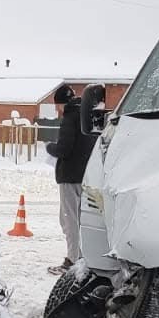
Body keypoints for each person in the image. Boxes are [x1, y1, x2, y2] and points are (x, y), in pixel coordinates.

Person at [46, 84, 96, 274]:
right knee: (80, 218)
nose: (57, 110)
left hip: (69, 175)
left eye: (57, 106)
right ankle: (82, 256)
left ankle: (72, 259)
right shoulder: (86, 114)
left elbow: (64, 149)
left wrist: (50, 147)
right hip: (84, 174)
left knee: (69, 219)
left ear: (61, 103)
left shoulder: (69, 117)